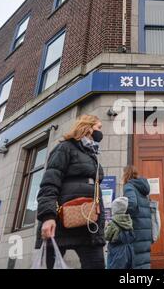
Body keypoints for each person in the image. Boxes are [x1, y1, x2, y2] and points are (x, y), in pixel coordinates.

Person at [35, 115, 105, 269]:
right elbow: (49, 183)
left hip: (88, 224)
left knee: (97, 264)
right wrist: (47, 216)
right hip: (60, 222)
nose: (100, 132)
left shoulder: (92, 154)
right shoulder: (65, 148)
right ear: (88, 127)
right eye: (98, 127)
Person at [122, 166, 152, 269]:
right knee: (144, 261)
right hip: (146, 231)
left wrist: (120, 210)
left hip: (136, 229)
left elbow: (131, 204)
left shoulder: (129, 186)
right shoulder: (143, 189)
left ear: (126, 174)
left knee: (135, 262)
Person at [105, 197, 135, 269]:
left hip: (116, 250)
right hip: (128, 250)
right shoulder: (128, 220)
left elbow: (106, 236)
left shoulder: (113, 223)